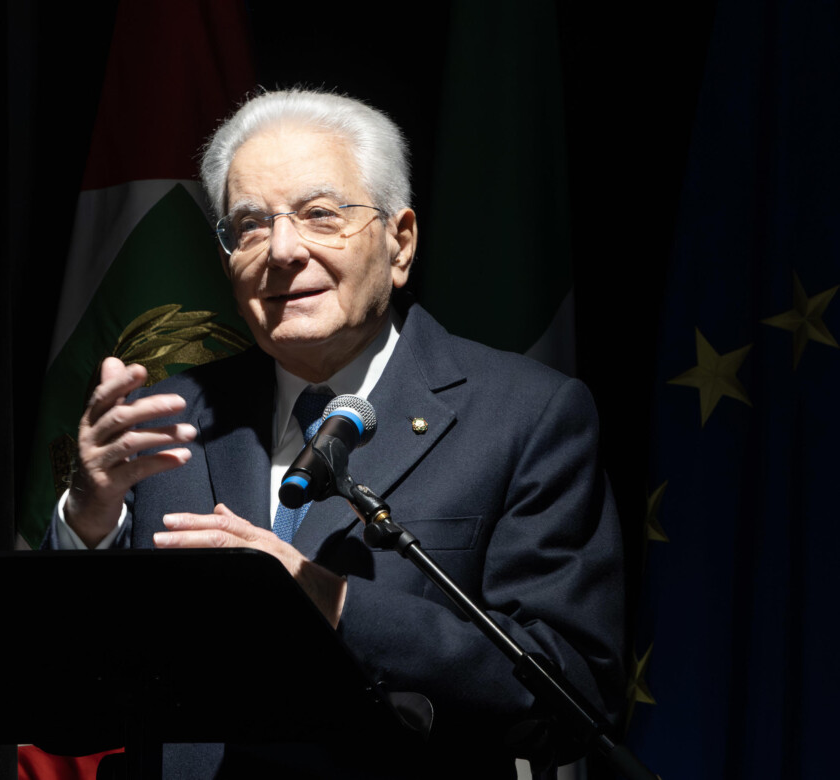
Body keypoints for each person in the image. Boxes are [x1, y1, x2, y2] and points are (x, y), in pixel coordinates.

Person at [43, 88, 624, 778]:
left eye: (320, 215)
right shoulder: (165, 420)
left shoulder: (525, 415)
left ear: (399, 242)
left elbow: (572, 698)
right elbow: (68, 714)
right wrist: (87, 523)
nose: (282, 250)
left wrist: (327, 598)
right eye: (250, 225)